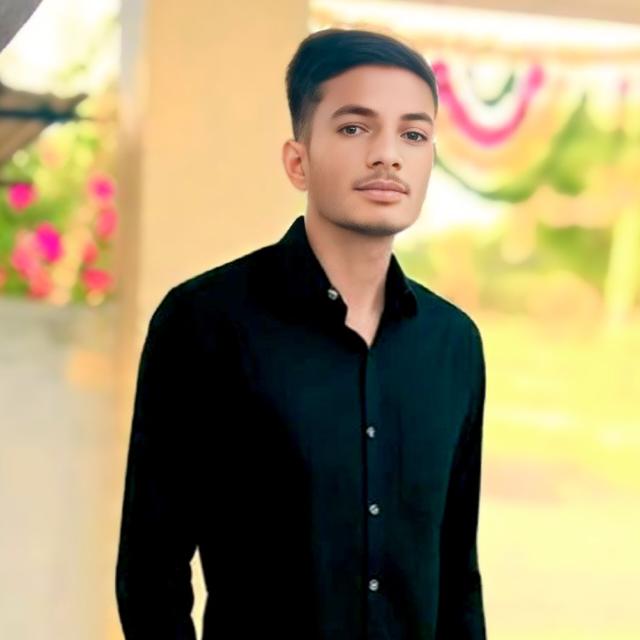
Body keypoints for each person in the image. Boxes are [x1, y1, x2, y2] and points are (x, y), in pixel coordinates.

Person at [115, 27, 487, 640]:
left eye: (413, 134)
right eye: (355, 127)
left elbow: (456, 574)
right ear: (298, 161)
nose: (388, 155)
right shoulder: (204, 322)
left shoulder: (454, 345)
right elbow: (151, 571)